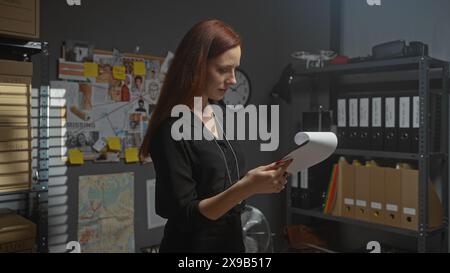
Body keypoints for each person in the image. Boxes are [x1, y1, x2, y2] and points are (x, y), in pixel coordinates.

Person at [140, 19, 291, 253]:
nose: (232, 79)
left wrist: (258, 180)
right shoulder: (171, 129)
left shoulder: (220, 114)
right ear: (196, 66)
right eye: (223, 69)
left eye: (235, 69)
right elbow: (187, 215)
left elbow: (227, 185)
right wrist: (247, 187)